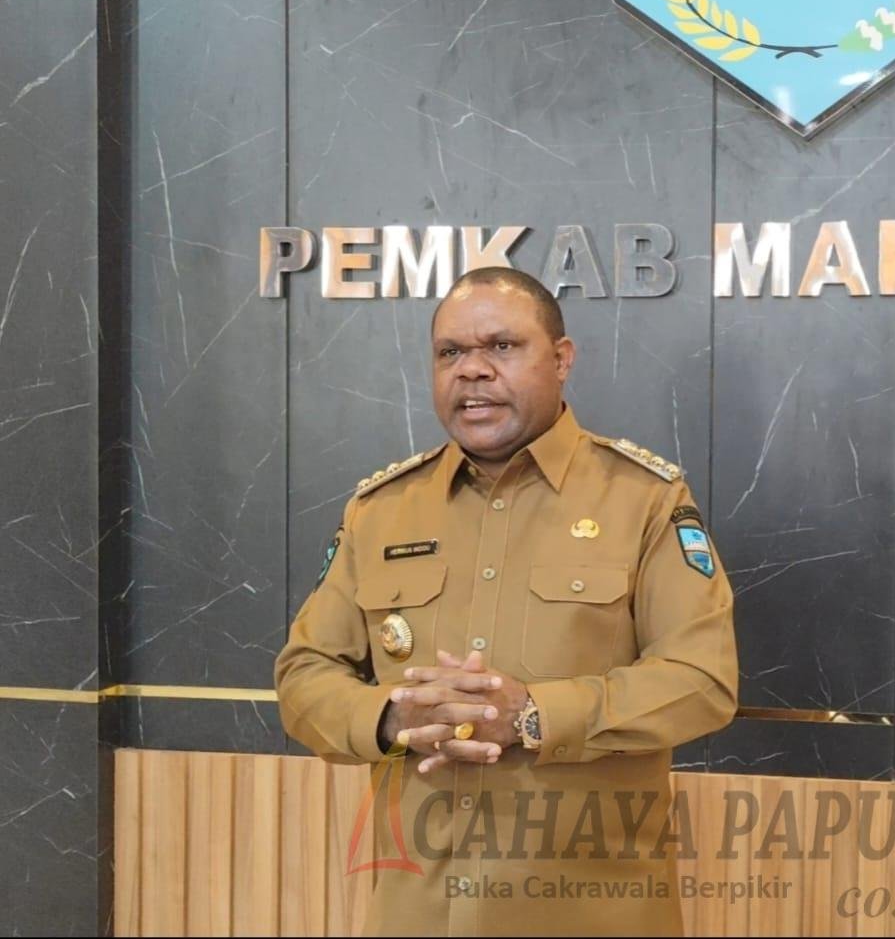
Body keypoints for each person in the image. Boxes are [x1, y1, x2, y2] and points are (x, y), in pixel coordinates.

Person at [275, 266, 738, 936]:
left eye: (502, 346)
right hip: (419, 916)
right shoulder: (381, 511)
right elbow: (303, 676)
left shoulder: (643, 500)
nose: (472, 370)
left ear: (562, 360)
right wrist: (392, 716)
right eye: (450, 352)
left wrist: (534, 717)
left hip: (591, 916)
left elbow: (702, 680)